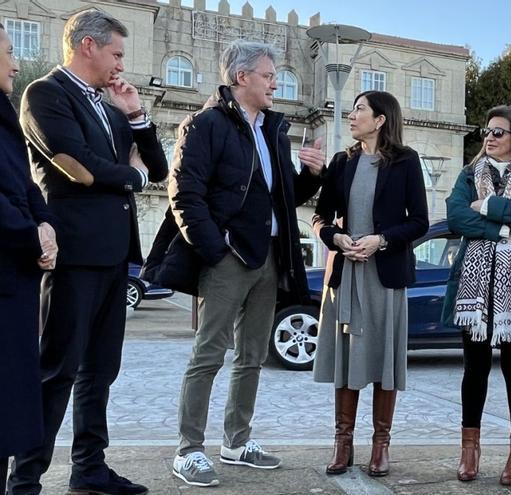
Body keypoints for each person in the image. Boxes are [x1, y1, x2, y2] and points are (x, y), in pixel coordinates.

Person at [8, 10, 168, 495]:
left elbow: (156, 168)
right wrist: (131, 173)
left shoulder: (109, 105)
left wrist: (137, 116)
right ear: (87, 46)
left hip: (114, 253)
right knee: (58, 369)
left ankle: (89, 468)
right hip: (72, 251)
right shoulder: (45, 95)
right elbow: (79, 165)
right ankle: (25, 479)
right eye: (117, 53)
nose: (121, 64)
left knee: (102, 368)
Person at [167, 40, 322, 487]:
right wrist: (215, 249)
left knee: (252, 355)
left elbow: (284, 195)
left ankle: (236, 442)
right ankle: (189, 449)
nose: (276, 82)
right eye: (268, 75)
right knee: (208, 354)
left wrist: (310, 173)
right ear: (241, 78)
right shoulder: (205, 125)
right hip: (228, 258)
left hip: (270, 257)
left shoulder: (272, 128)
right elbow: (185, 194)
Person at [310, 90, 428, 478]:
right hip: (345, 274)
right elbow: (320, 216)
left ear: (380, 120)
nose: (352, 114)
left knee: (383, 360)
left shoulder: (407, 161)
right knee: (346, 361)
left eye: (359, 109)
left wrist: (382, 240)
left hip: (384, 275)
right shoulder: (342, 162)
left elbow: (419, 222)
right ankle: (343, 444)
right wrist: (335, 238)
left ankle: (381, 445)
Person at [443, 104, 511, 486]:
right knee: (474, 370)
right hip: (476, 287)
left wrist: (489, 206)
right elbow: (457, 216)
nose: (489, 137)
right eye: (487, 131)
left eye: (498, 132)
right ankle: (469, 450)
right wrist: (503, 230)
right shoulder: (468, 174)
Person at [0, 21, 58, 487]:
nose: (16, 63)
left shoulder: (4, 115)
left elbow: (26, 186)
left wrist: (44, 225)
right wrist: (30, 237)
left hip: (14, 277)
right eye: (7, 51)